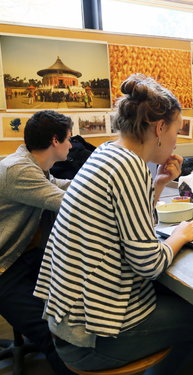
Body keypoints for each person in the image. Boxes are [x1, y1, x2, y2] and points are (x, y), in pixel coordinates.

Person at [33, 74, 193, 375]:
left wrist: (159, 184)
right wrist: (180, 236)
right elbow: (148, 263)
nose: (176, 141)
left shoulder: (109, 154)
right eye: (176, 132)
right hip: (91, 338)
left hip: (68, 320)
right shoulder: (128, 166)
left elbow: (126, 224)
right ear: (159, 128)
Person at [0, 110, 74, 374]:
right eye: (69, 139)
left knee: (68, 312)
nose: (72, 145)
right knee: (54, 334)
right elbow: (69, 202)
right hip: (5, 271)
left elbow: (63, 186)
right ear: (55, 140)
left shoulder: (34, 166)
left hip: (24, 258)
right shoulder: (19, 170)